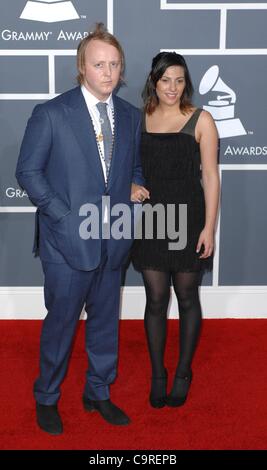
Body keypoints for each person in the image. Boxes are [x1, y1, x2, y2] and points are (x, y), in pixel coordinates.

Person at [16, 23, 149, 434]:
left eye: (114, 65)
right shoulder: (52, 113)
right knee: (61, 323)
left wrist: (133, 185)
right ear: (82, 67)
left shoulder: (129, 116)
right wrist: (64, 215)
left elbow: (133, 167)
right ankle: (47, 397)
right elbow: (28, 172)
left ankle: (98, 391)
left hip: (114, 239)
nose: (108, 73)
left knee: (106, 323)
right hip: (66, 243)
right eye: (99, 65)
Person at [131, 52, 220, 408]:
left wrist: (209, 228)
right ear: (154, 81)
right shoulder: (140, 119)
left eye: (180, 80)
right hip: (152, 219)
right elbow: (125, 167)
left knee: (186, 298)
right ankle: (158, 373)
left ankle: (183, 372)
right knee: (155, 299)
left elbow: (211, 177)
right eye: (166, 79)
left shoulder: (201, 119)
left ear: (187, 83)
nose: (173, 87)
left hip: (189, 219)